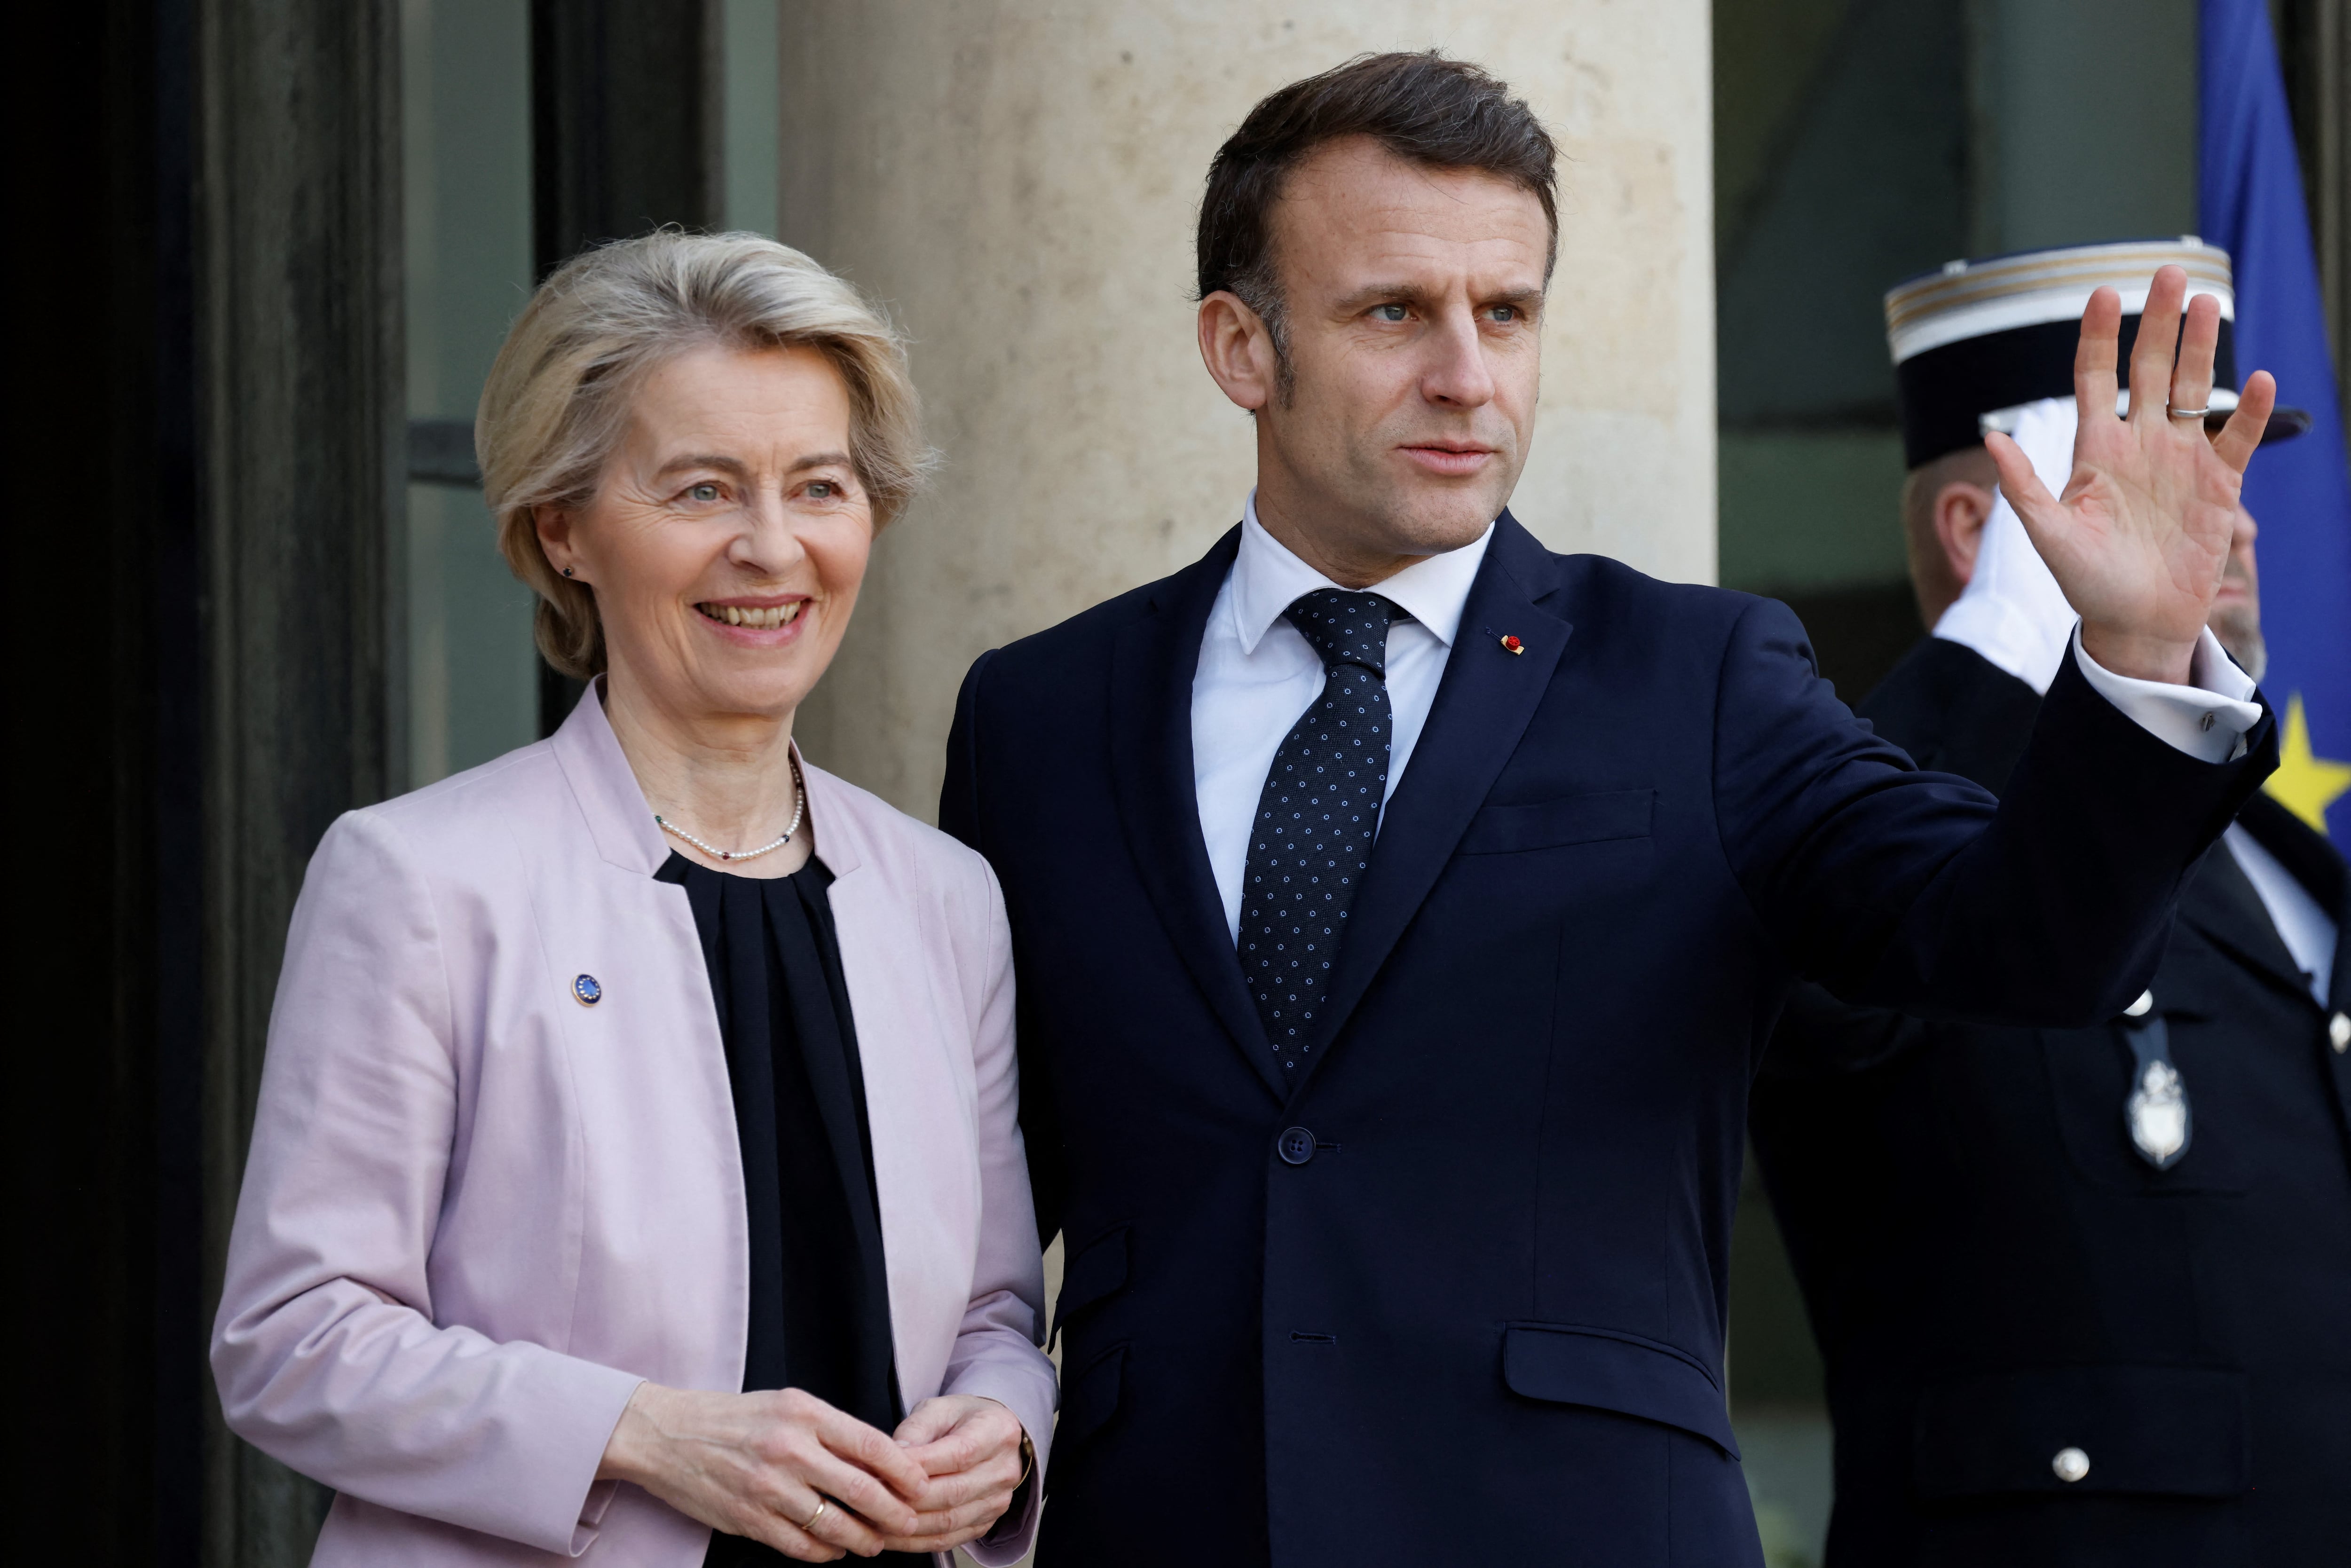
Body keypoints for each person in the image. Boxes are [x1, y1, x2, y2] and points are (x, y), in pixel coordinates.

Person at [939, 54, 2281, 1567]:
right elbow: (957, 1197)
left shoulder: (1698, 676)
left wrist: (2137, 662)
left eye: (1506, 313)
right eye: (1395, 312)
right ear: (1241, 347)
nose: (1468, 375)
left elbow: (2017, 944)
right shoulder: (1039, 716)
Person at [211, 232, 1053, 1567]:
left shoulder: (947, 899)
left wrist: (1004, 1431)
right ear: (564, 527)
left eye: (819, 486)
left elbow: (995, 1313)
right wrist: (644, 1432)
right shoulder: (420, 881)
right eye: (702, 490)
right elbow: (292, 1339)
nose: (771, 548)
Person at [1750, 240, 2348, 1566]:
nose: (2238, 515)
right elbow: (1836, 988)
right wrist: (1998, 647)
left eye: (2234, 462)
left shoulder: (2278, 850)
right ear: (1980, 528)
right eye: (2172, 462)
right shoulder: (1866, 807)